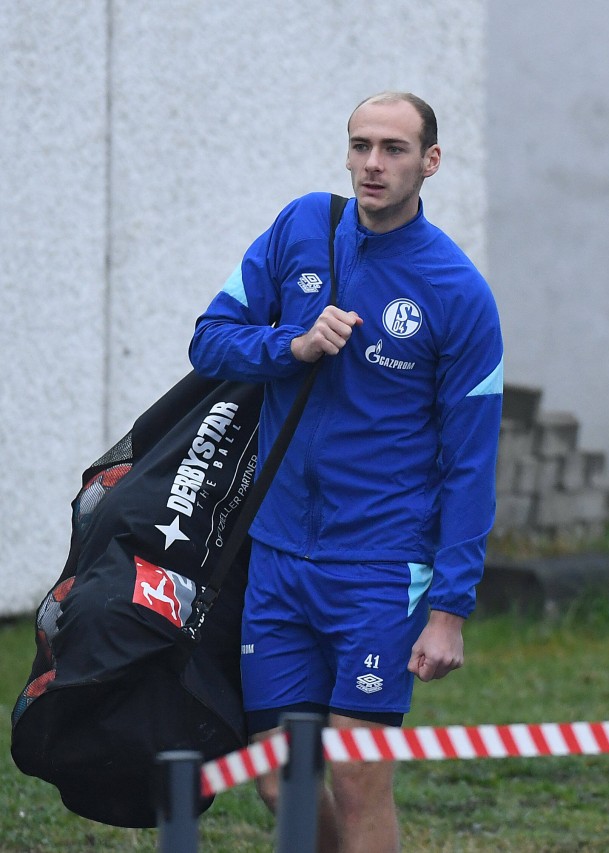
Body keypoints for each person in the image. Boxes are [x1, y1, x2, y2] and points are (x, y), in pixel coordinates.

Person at [189, 91, 503, 852]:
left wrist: (450, 608)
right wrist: (290, 345)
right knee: (277, 779)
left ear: (430, 162)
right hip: (278, 554)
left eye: (394, 149)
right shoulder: (304, 227)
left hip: (380, 565)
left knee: (359, 778)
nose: (372, 163)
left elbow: (472, 463)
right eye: (361, 145)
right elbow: (209, 340)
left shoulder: (458, 292)